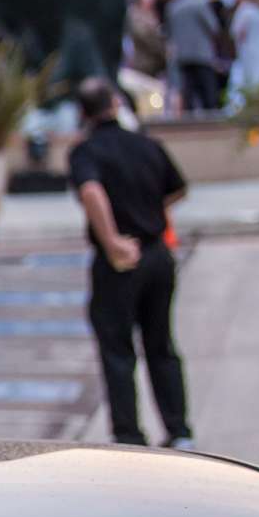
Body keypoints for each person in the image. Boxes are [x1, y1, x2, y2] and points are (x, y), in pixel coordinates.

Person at [67, 79, 192, 450]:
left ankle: (128, 435)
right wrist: (154, 214)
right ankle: (179, 429)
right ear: (116, 104)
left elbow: (91, 192)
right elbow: (178, 188)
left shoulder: (86, 152)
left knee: (117, 350)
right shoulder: (147, 145)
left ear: (82, 113)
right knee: (161, 345)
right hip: (157, 254)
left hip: (120, 261)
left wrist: (112, 240)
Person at [162, 0, 224, 113]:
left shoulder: (172, 6)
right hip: (201, 52)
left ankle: (188, 115)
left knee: (187, 87)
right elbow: (213, 26)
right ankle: (211, 115)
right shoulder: (199, 3)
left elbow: (168, 32)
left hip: (182, 53)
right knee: (207, 86)